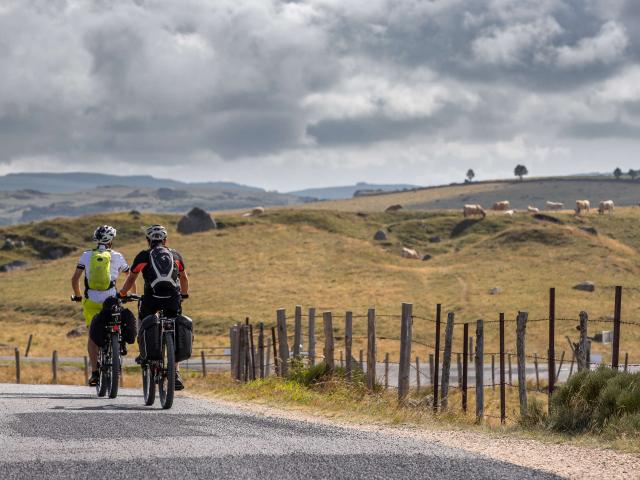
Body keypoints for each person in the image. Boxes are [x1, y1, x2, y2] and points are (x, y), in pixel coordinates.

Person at [118, 224, 190, 390]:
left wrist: (122, 293)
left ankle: (144, 353)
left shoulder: (144, 256)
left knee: (144, 321)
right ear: (165, 240)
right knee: (173, 328)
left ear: (148, 240)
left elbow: (131, 278)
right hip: (172, 299)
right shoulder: (175, 255)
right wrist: (183, 295)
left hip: (152, 299)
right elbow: (184, 278)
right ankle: (175, 372)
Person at [71, 225, 133, 386]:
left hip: (91, 301)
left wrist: (78, 296)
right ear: (111, 240)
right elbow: (130, 277)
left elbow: (75, 279)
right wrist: (129, 294)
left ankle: (95, 373)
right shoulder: (117, 256)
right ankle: (119, 342)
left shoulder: (86, 255)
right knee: (117, 322)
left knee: (92, 336)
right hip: (110, 300)